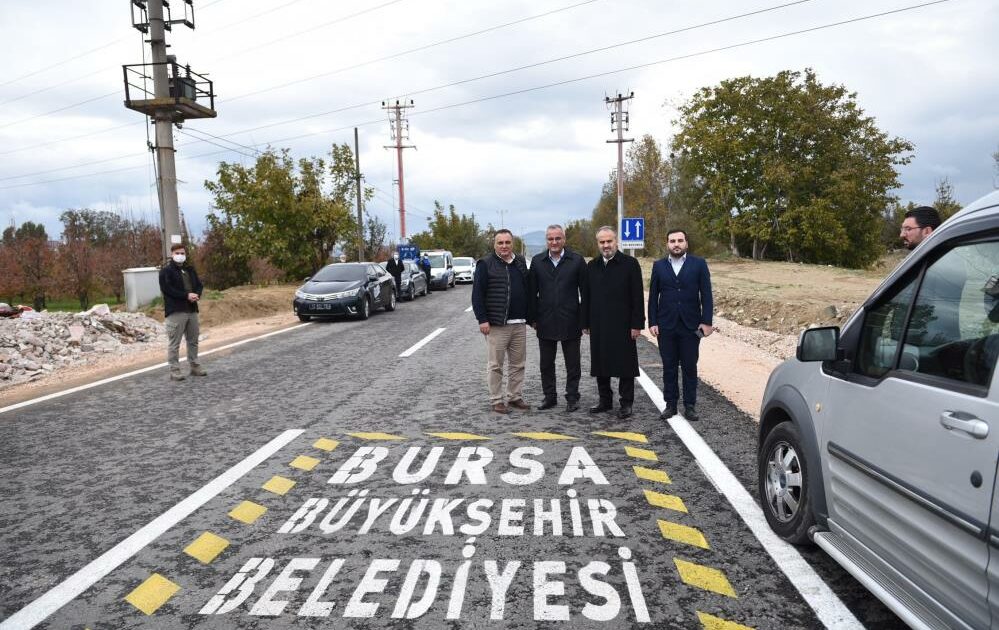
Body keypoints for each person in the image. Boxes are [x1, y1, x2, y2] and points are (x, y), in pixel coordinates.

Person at [648, 229, 713, 422]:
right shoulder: (659, 266)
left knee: (689, 366)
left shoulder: (699, 264)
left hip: (691, 326)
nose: (676, 244)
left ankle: (690, 406)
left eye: (680, 240)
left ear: (686, 243)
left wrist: (707, 322)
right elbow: (653, 296)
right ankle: (670, 405)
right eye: (672, 241)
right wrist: (652, 322)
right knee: (669, 367)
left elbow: (706, 295)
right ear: (667, 244)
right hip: (665, 325)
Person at [581, 226, 644, 419]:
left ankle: (626, 403)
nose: (606, 245)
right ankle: (605, 401)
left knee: (625, 365)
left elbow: (637, 296)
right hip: (599, 323)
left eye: (609, 241)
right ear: (598, 244)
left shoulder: (630, 264)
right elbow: (586, 296)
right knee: (601, 362)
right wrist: (585, 322)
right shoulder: (592, 266)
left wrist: (637, 324)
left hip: (623, 324)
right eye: (602, 242)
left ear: (616, 241)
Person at [472, 229, 531, 414]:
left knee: (518, 364)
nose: (504, 246)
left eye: (507, 242)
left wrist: (531, 316)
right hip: (497, 324)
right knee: (495, 365)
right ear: (495, 244)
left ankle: (514, 396)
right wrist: (482, 319)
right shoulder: (485, 264)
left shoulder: (520, 261)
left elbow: (527, 289)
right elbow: (477, 294)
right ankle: (496, 400)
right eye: (500, 243)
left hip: (519, 323)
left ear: (512, 243)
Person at [528, 224, 586, 412]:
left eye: (557, 238)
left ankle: (572, 397)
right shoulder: (537, 262)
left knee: (573, 364)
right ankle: (549, 397)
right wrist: (533, 318)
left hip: (571, 320)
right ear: (546, 240)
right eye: (550, 239)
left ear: (564, 239)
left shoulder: (577, 260)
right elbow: (531, 293)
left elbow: (586, 293)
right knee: (546, 364)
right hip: (545, 320)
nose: (554, 242)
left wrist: (585, 320)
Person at [159, 243, 205, 381]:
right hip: (176, 311)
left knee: (193, 340)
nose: (180, 255)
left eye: (182, 253)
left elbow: (199, 285)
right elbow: (168, 289)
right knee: (175, 343)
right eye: (177, 253)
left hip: (192, 309)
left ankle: (195, 366)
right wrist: (186, 295)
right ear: (172, 254)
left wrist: (196, 294)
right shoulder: (166, 271)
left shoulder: (189, 270)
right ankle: (175, 370)